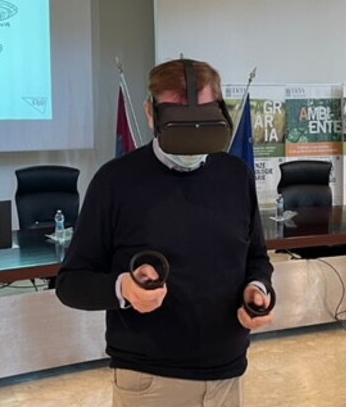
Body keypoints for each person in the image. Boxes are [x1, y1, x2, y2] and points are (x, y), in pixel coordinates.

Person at [56, 59, 274, 407]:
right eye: (179, 118)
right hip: (150, 380)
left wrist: (257, 289)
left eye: (203, 117)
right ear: (151, 112)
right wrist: (123, 288)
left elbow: (256, 258)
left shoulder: (235, 175)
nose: (193, 131)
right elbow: (71, 283)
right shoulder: (115, 182)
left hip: (228, 373)